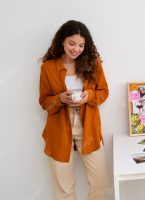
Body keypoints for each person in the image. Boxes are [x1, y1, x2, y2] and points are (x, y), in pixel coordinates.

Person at [39, 20, 109, 200]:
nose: (76, 49)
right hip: (59, 131)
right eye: (72, 43)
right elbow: (44, 101)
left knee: (100, 183)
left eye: (81, 45)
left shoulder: (93, 63)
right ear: (62, 41)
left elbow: (104, 91)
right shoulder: (48, 67)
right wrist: (59, 99)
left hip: (89, 127)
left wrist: (89, 96)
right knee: (64, 190)